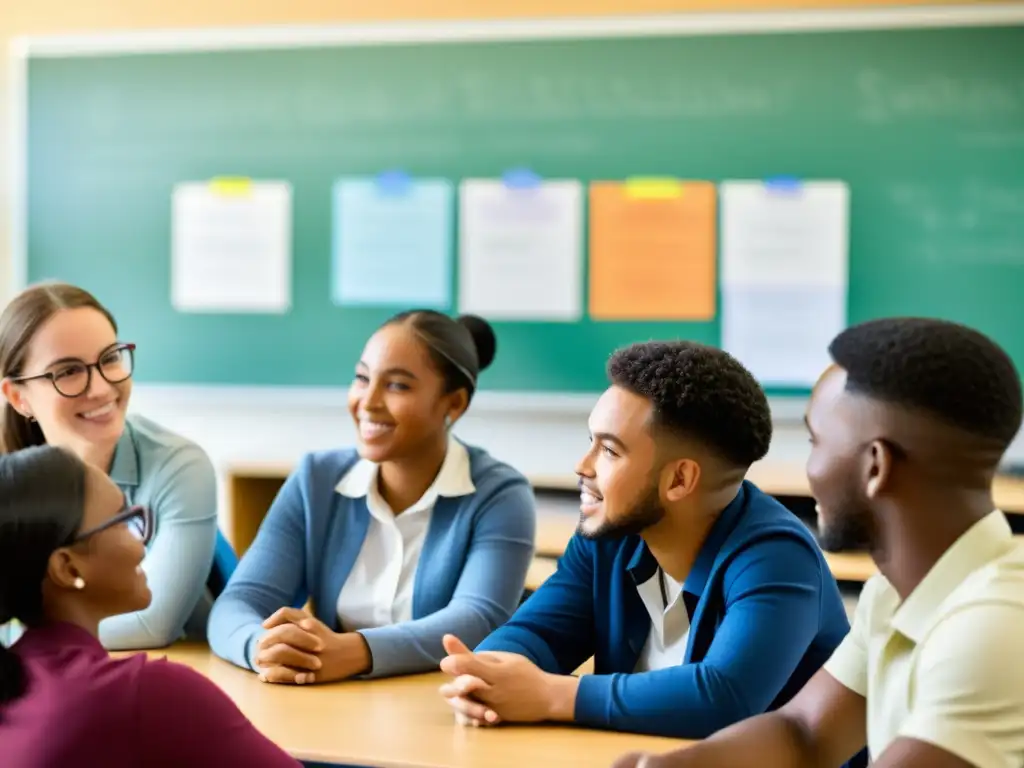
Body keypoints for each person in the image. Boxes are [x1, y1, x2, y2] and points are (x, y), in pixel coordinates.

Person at [612, 317, 1024, 768]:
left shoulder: (994, 625)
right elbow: (804, 733)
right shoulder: (893, 595)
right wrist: (673, 766)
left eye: (816, 441)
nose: (808, 469)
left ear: (875, 466)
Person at [438, 340, 851, 740]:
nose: (582, 466)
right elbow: (538, 633)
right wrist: (489, 676)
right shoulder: (610, 537)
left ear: (679, 479)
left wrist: (549, 694)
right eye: (590, 443)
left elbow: (723, 698)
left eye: (610, 451)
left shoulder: (777, 556)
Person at [208, 310, 536, 684]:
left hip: (439, 709)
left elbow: (478, 618)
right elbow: (238, 603)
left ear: (454, 404)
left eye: (397, 385)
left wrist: (353, 651)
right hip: (335, 705)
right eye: (362, 378)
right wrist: (261, 646)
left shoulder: (500, 494)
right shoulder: (317, 479)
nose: (369, 401)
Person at [0, 444, 300, 766]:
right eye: (123, 521)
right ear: (69, 569)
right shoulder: (147, 693)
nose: (142, 542)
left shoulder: (15, 679)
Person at [0, 282, 230, 651]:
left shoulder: (179, 466)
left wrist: (22, 648)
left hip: (168, 677)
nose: (102, 389)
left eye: (109, 358)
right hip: (44, 685)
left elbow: (153, 623)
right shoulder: (7, 479)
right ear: (18, 397)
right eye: (69, 371)